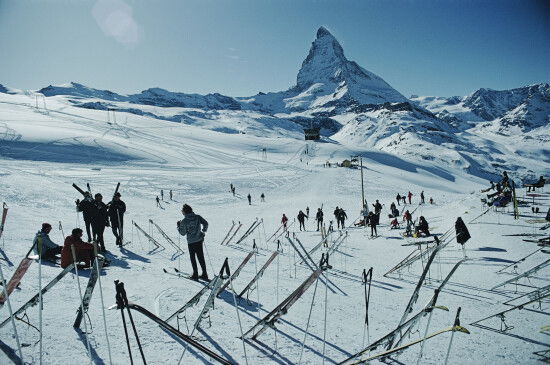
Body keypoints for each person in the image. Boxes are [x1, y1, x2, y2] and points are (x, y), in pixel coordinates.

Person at [177, 204, 209, 281]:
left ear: (185, 212)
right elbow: (206, 223)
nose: (182, 212)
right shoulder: (197, 217)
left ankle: (195, 274)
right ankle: (204, 274)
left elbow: (182, 233)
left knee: (193, 258)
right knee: (201, 257)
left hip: (191, 242)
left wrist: (179, 226)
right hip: (199, 240)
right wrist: (203, 231)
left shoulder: (184, 221)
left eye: (182, 211)